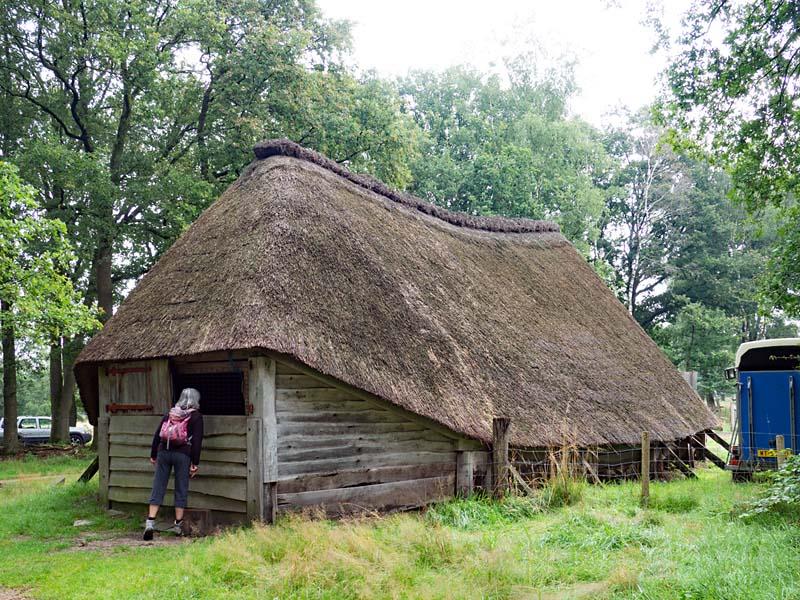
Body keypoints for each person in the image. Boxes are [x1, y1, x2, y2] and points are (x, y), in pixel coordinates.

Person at [144, 388, 204, 540]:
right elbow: (197, 441)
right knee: (181, 487)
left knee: (158, 486)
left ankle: (150, 522)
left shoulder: (171, 413)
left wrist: (153, 454)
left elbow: (158, 434)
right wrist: (195, 462)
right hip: (183, 455)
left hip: (164, 453)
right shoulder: (196, 416)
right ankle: (177, 526)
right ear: (196, 400)